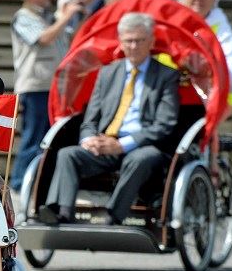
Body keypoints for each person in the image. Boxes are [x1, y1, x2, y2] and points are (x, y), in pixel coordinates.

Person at [39, 12, 180, 225]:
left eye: (139, 40)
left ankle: (113, 215)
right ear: (120, 42)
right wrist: (89, 140)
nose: (133, 46)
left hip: (144, 145)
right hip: (105, 143)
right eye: (128, 41)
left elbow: (164, 124)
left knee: (139, 159)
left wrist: (122, 145)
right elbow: (90, 119)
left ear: (151, 41)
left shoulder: (166, 75)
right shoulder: (107, 73)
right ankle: (61, 212)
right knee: (68, 154)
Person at [10, 0, 82, 191]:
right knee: (33, 137)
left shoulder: (46, 16)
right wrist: (66, 16)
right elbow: (44, 39)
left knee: (46, 137)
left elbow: (66, 38)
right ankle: (19, 184)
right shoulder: (23, 17)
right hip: (35, 86)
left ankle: (35, 184)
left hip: (49, 87)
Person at [181, 0, 232, 97]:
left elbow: (231, 65)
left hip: (206, 96)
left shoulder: (221, 27)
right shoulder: (172, 21)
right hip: (170, 92)